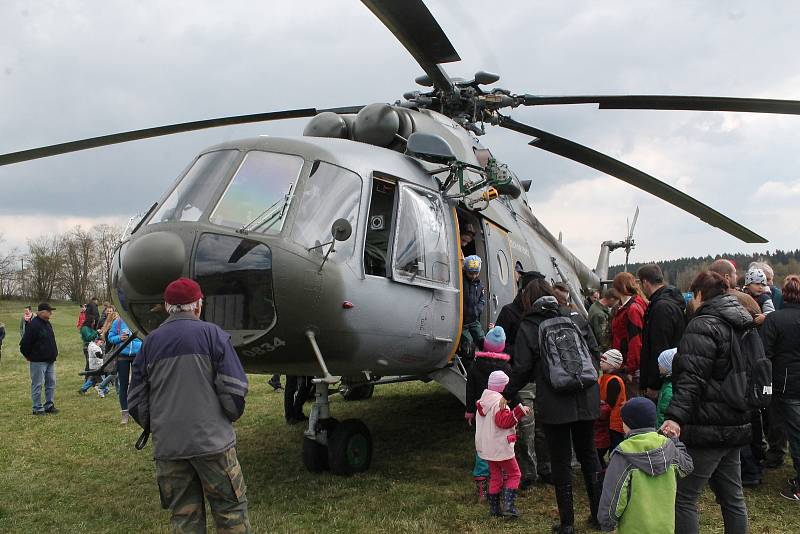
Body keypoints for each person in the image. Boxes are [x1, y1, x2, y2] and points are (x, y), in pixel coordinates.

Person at [128, 277, 250, 533]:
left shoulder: (149, 343)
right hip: (214, 444)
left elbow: (136, 398)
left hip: (169, 449)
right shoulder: (213, 335)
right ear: (198, 306)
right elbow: (234, 388)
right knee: (230, 513)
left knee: (184, 520)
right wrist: (227, 417)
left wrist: (157, 426)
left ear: (166, 306)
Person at [507, 278, 602, 534]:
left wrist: (507, 392)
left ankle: (567, 524)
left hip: (554, 400)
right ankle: (598, 516)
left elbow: (522, 368)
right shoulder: (574, 316)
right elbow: (595, 352)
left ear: (529, 299)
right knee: (589, 455)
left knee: (560, 461)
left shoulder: (528, 325)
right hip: (587, 395)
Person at [662, 271, 753, 534]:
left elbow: (692, 378)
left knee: (683, 497)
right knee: (733, 497)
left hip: (707, 424)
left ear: (699, 294)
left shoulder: (703, 324)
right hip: (735, 417)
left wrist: (675, 417)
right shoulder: (741, 321)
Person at [597, 397, 693, 533]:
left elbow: (613, 494)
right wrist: (675, 442)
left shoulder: (623, 454)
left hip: (632, 529)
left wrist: (607, 523)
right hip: (664, 527)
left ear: (626, 424)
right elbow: (687, 467)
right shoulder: (668, 447)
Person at [496, 269, 552, 487]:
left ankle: (545, 468)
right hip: (522, 377)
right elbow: (500, 343)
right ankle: (528, 472)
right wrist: (521, 351)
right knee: (526, 427)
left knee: (544, 427)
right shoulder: (510, 312)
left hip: (544, 379)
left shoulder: (546, 313)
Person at [761, 274, 800, 500]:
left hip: (784, 384)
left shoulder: (775, 319)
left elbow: (764, 353)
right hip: (788, 381)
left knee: (795, 433)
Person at [465, 326, 513, 503]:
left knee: (483, 447)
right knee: (501, 447)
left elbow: (470, 390)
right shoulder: (507, 368)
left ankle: (482, 488)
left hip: (482, 413)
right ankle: (502, 484)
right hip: (500, 413)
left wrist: (470, 411)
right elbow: (510, 392)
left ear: (485, 344)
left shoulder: (475, 366)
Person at [474, 370, 530, 518]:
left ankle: (494, 510)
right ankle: (509, 508)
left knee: (495, 476)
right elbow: (503, 422)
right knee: (514, 474)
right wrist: (519, 411)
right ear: (502, 388)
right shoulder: (500, 403)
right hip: (500, 447)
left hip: (488, 448)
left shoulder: (484, 400)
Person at [637, 264, 686, 400]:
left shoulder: (661, 307)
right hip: (669, 374)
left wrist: (654, 384)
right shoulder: (668, 302)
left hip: (663, 379)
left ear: (645, 282)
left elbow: (659, 346)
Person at [610, 272, 648, 394]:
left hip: (629, 367)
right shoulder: (624, 307)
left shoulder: (632, 309)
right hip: (623, 363)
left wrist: (631, 369)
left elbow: (635, 340)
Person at [19, 303, 59, 415]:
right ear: (42, 312)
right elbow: (24, 345)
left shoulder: (47, 324)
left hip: (50, 359)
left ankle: (49, 405)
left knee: (51, 383)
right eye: (49, 311)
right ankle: (37, 408)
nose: (51, 313)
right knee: (37, 384)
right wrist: (29, 356)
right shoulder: (33, 325)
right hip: (38, 361)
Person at [109, 315, 142, 424]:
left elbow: (146, 337)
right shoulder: (118, 321)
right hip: (122, 356)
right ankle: (125, 413)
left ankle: (139, 411)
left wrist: (135, 339)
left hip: (138, 355)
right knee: (123, 384)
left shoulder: (138, 319)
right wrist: (120, 338)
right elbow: (110, 337)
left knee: (139, 384)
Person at [596, 349, 627, 467]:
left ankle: (615, 470)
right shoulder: (604, 378)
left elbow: (610, 403)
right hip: (607, 420)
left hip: (615, 422)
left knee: (615, 450)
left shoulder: (614, 381)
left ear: (613, 365)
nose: (601, 363)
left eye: (604, 361)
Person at [461, 255, 486, 356]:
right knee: (468, 343)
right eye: (471, 273)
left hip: (474, 320)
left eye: (476, 273)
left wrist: (478, 309)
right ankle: (469, 361)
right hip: (463, 323)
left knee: (481, 338)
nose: (474, 276)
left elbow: (481, 299)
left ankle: (484, 357)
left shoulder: (479, 285)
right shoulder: (461, 281)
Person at [588, 288, 618, 353]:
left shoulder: (596, 305)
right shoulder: (599, 315)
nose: (616, 304)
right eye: (616, 302)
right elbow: (603, 341)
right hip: (600, 351)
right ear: (612, 299)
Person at [656, 348, 676, 428]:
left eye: (661, 363)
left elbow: (663, 413)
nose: (658, 365)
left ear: (668, 365)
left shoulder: (669, 389)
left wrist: (659, 430)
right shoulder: (667, 382)